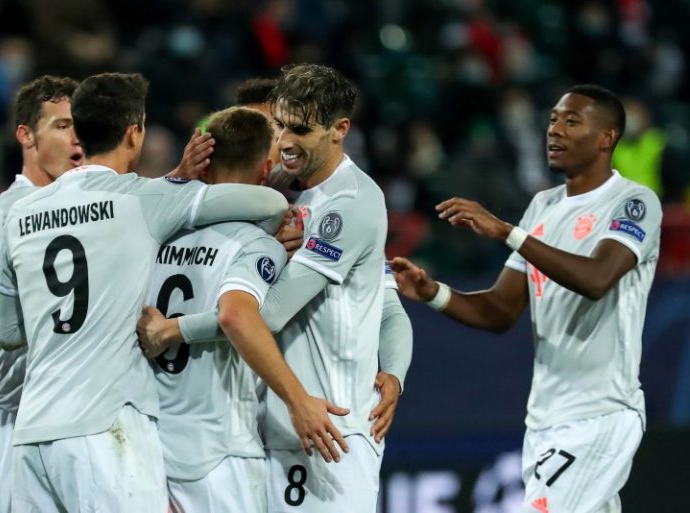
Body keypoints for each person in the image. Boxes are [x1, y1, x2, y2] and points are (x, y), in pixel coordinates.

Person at [0, 72, 290, 512]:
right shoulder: (143, 200)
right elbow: (269, 203)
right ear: (135, 132)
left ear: (80, 131)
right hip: (105, 427)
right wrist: (179, 186)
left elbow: (9, 331)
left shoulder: (18, 214)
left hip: (32, 433)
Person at [139, 64, 411, 512]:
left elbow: (270, 313)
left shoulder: (352, 203)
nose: (284, 141)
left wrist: (175, 330)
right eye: (280, 126)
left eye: (300, 130)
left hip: (327, 428)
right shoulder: (279, 185)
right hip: (266, 426)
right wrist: (180, 175)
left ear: (339, 130)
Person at [392, 84, 661, 513]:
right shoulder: (543, 206)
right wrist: (433, 293)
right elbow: (499, 311)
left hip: (599, 413)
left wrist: (508, 233)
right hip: (545, 420)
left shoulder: (633, 202)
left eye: (572, 121)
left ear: (607, 137)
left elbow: (598, 278)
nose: (554, 130)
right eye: (553, 119)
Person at [142, 105, 348, 513]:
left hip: (152, 448)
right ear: (266, 169)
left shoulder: (154, 237)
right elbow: (236, 315)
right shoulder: (254, 244)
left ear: (204, 166)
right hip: (219, 451)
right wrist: (297, 400)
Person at [0, 75, 81, 513]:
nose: (77, 139)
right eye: (63, 126)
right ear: (26, 135)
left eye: (80, 126)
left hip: (52, 422)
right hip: (3, 425)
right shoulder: (11, 212)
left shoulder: (70, 214)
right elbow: (4, 333)